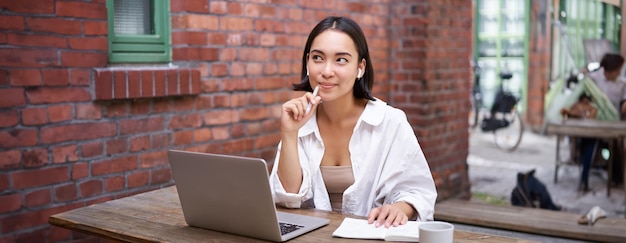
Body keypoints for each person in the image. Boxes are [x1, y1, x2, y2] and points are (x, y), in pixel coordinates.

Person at [269, 16, 437, 228]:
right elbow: (287, 199)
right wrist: (289, 133)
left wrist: (399, 208)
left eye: (341, 60)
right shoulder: (299, 120)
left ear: (360, 68)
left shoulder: (390, 121)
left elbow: (419, 191)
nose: (326, 71)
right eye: (318, 58)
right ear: (307, 62)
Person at [585, 53, 625, 186]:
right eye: (618, 70)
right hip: (597, 121)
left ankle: (616, 178)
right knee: (589, 142)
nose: (619, 73)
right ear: (609, 71)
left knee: (617, 146)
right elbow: (585, 83)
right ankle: (584, 178)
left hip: (614, 123)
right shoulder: (595, 77)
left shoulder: (622, 83)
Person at [560, 93, 598, 191]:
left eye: (587, 102)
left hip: (589, 135)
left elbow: (591, 117)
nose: (585, 104)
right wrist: (575, 113)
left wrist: (580, 113)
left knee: (588, 154)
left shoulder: (592, 109)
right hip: (578, 136)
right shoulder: (575, 107)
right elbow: (563, 112)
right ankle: (583, 179)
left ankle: (583, 179)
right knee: (584, 154)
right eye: (583, 102)